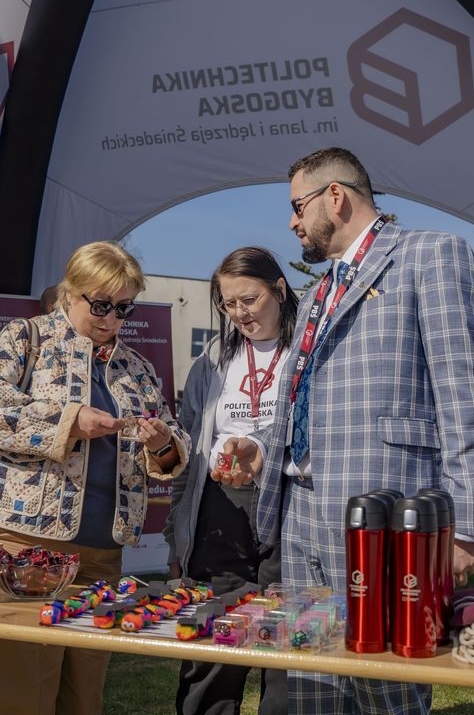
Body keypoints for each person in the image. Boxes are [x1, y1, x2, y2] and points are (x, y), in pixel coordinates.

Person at [217, 147, 474, 715]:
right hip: (301, 515)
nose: (292, 222)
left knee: (385, 688)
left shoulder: (431, 255)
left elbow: (465, 395)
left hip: (385, 519)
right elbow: (301, 400)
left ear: (336, 197)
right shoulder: (318, 293)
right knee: (312, 683)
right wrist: (262, 451)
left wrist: (467, 525)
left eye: (298, 206)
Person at [0, 240, 188, 715]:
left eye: (124, 308)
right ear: (70, 293)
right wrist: (69, 421)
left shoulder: (136, 367)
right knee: (16, 690)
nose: (111, 319)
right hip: (25, 546)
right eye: (101, 304)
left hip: (102, 555)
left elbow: (172, 443)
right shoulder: (28, 338)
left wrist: (162, 441)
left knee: (83, 695)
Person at [165, 247, 297, 715]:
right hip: (219, 510)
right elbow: (189, 454)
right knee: (213, 645)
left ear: (279, 289)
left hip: (289, 510)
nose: (240, 313)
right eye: (228, 303)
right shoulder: (212, 360)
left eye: (250, 299)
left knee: (284, 643)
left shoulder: (307, 354)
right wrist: (177, 534)